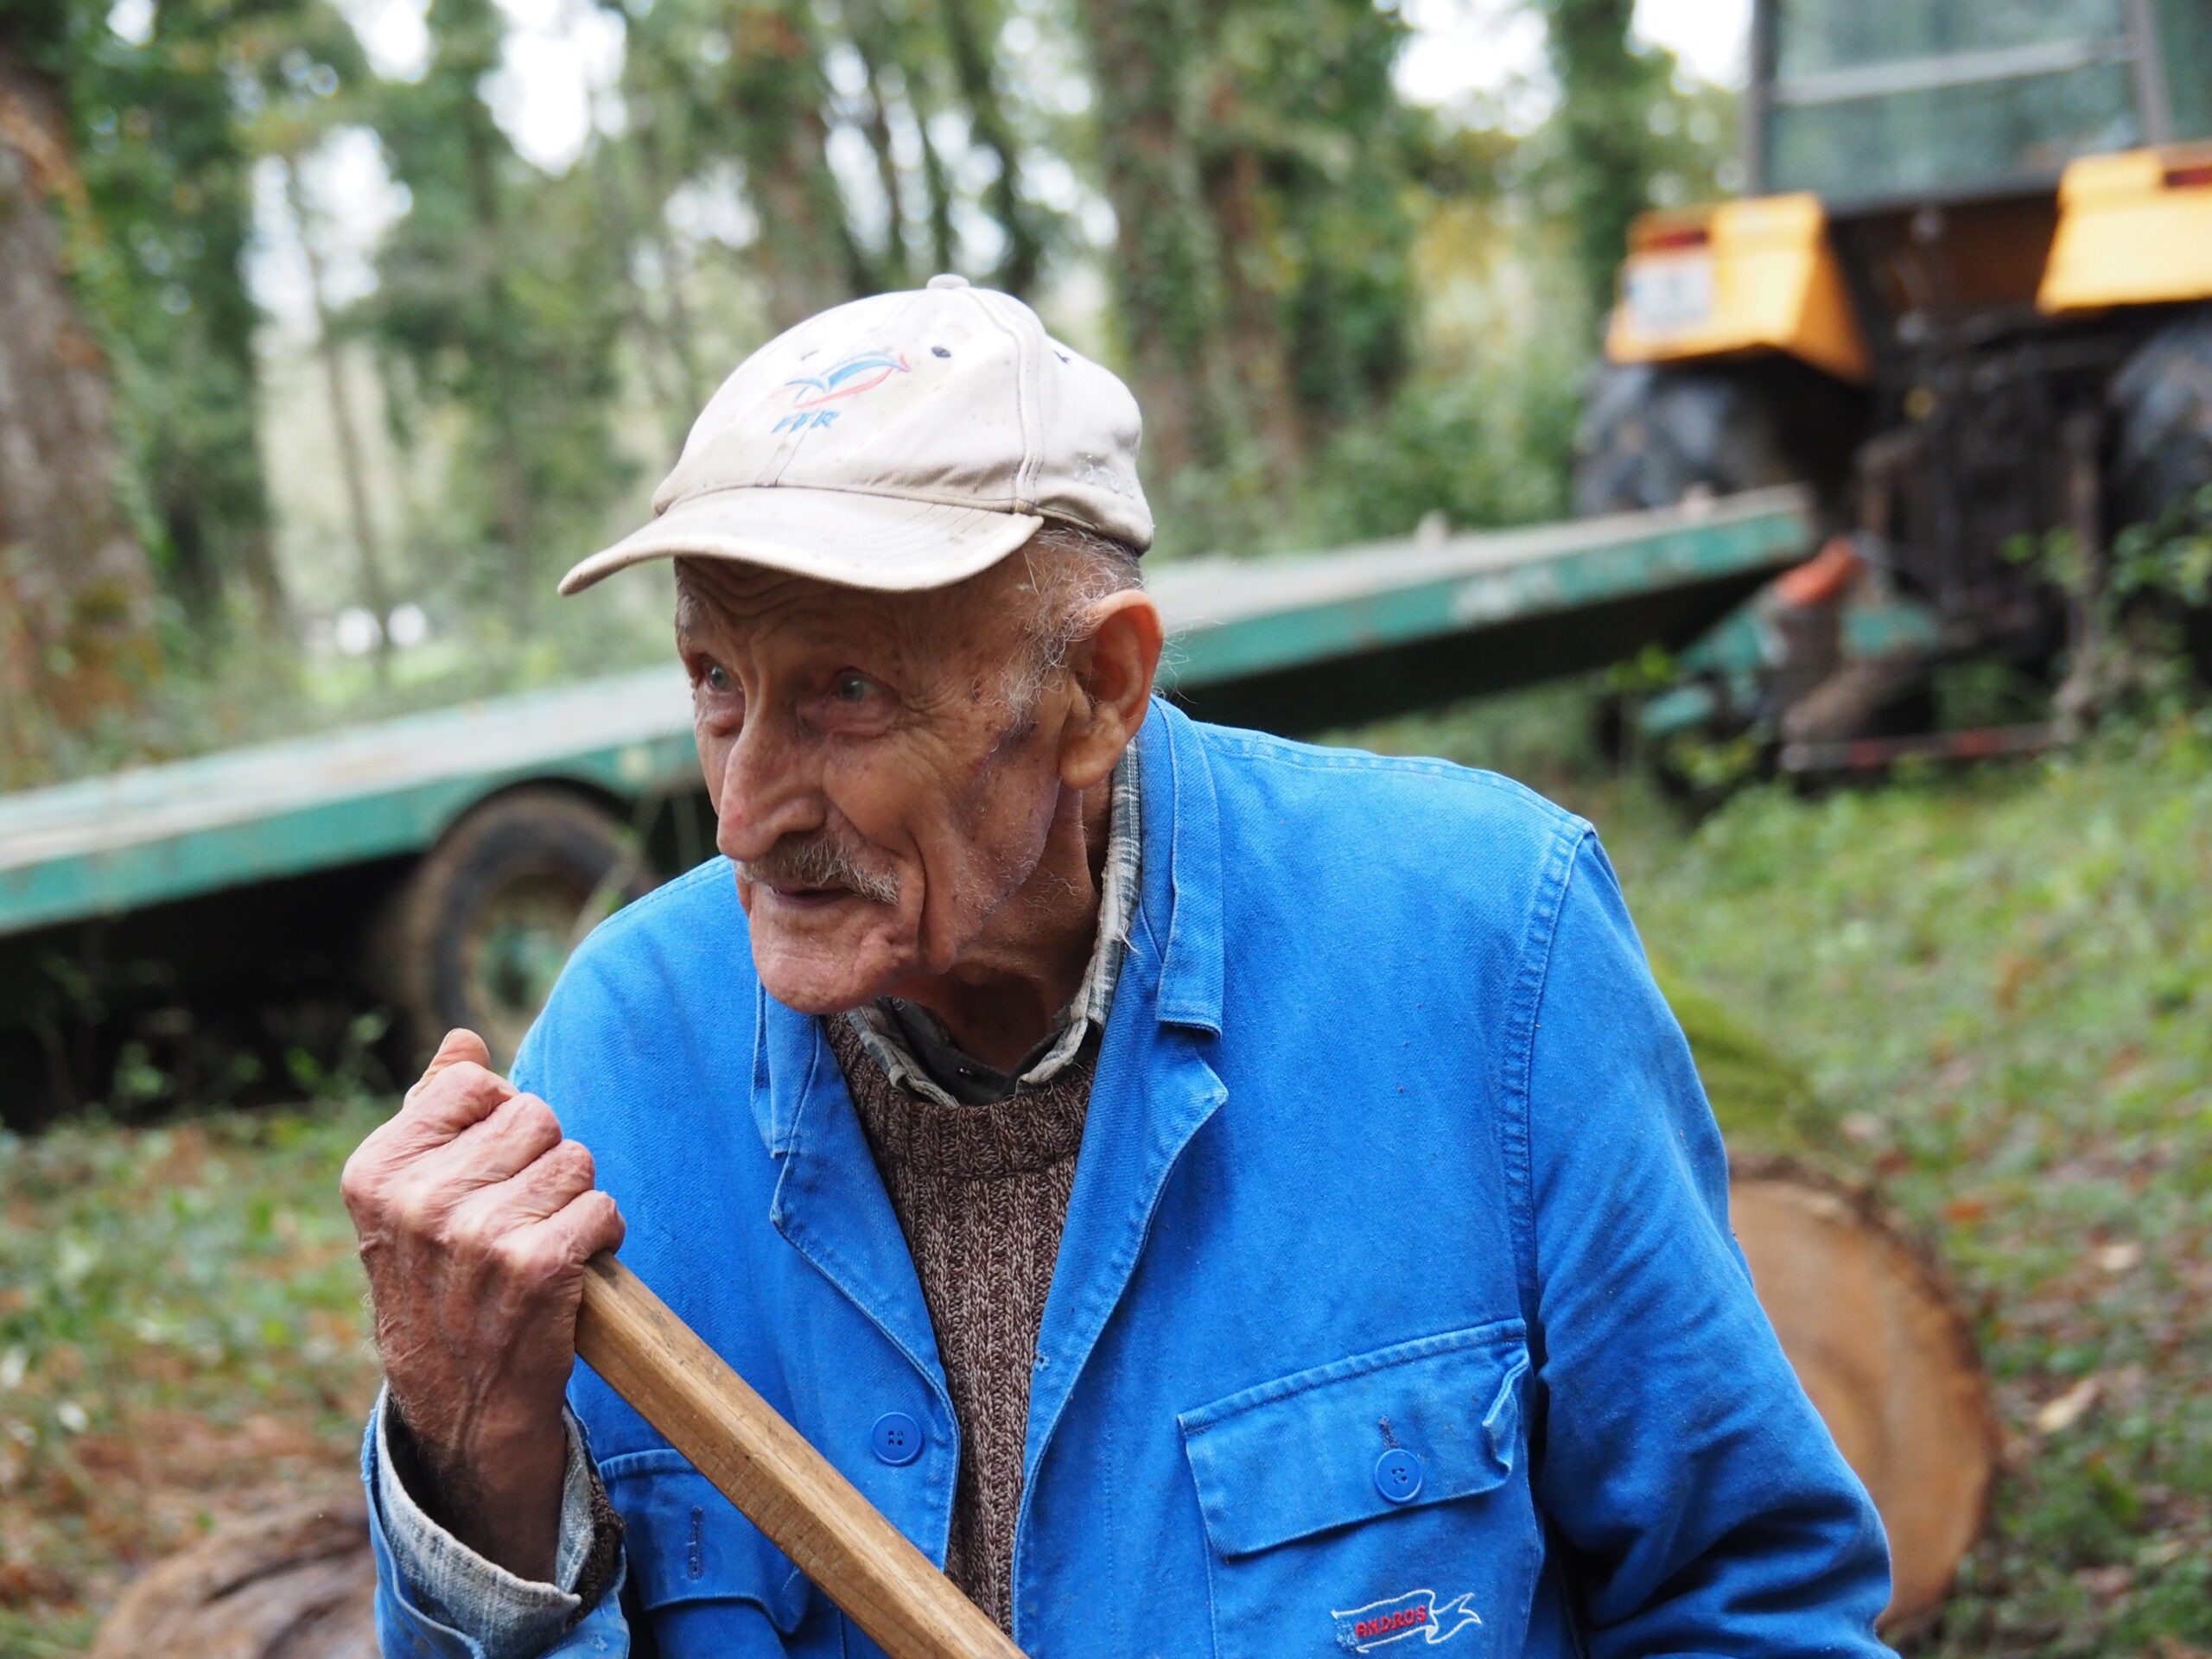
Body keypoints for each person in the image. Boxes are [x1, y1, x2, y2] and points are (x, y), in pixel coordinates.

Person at [342, 275, 1891, 1659]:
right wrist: (473, 1465)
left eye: (847, 694)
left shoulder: (1485, 943)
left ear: (1097, 691)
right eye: (716, 686)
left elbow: (1745, 1603)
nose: (744, 814)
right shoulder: (623, 1052)